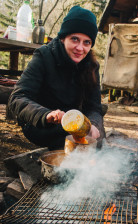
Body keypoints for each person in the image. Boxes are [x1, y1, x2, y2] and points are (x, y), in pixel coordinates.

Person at [8, 6, 105, 150]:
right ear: (63, 38)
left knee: (97, 143)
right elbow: (17, 98)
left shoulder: (91, 65)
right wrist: (46, 115)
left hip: (72, 122)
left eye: (87, 42)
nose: (80, 48)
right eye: (74, 39)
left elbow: (94, 107)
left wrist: (94, 125)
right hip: (39, 123)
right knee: (69, 143)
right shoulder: (43, 56)